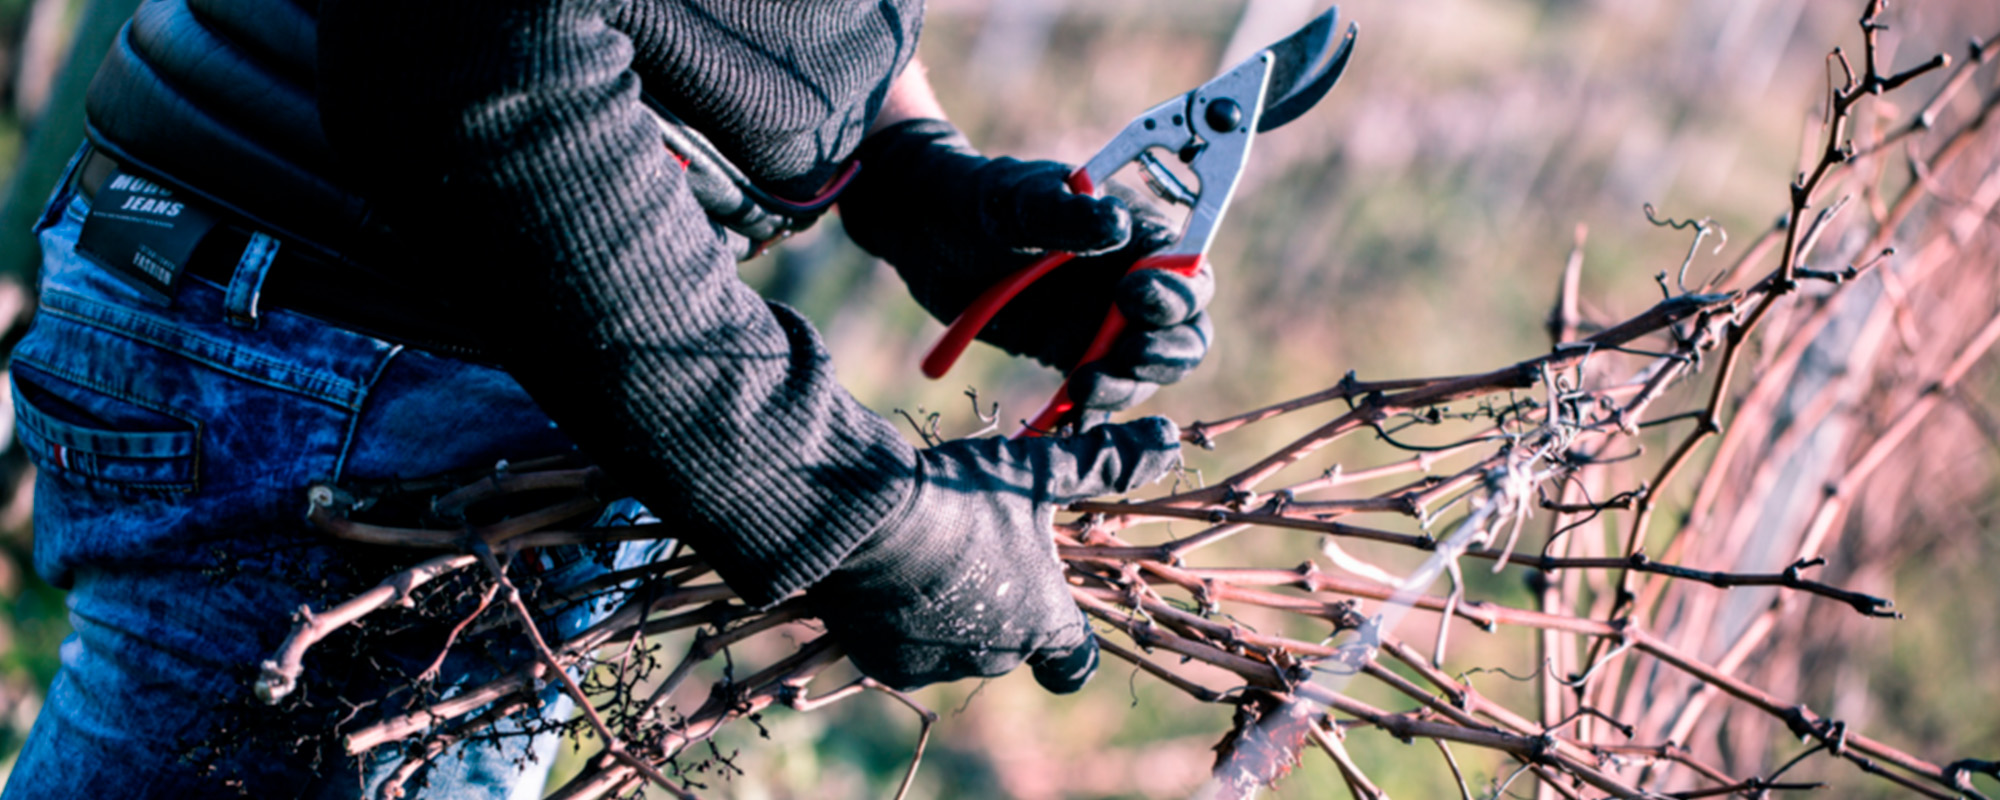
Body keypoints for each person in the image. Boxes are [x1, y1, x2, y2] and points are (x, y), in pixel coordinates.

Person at [1, 0, 1214, 796]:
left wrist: (905, 166)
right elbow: (474, 54)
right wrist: (851, 503)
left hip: (421, 342)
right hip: (340, 341)